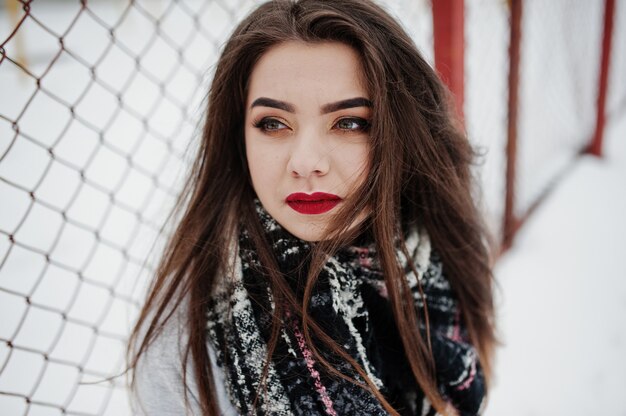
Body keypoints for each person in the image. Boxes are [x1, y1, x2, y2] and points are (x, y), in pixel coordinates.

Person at [128, 0, 496, 415]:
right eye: (273, 123)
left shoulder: (436, 252)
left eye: (350, 123)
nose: (306, 163)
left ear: (403, 133)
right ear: (238, 137)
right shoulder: (185, 346)